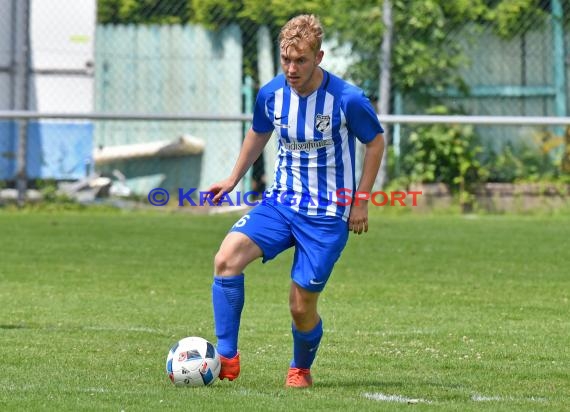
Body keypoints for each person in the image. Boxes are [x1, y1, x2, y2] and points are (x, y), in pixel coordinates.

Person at [207, 14, 385, 388]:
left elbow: (375, 142)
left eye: (300, 60)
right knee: (226, 259)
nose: (291, 68)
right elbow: (258, 134)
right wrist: (232, 178)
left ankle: (300, 368)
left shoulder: (347, 99)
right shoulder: (271, 94)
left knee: (300, 308)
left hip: (327, 215)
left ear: (318, 57)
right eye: (285, 59)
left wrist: (361, 200)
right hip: (281, 204)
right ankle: (226, 357)